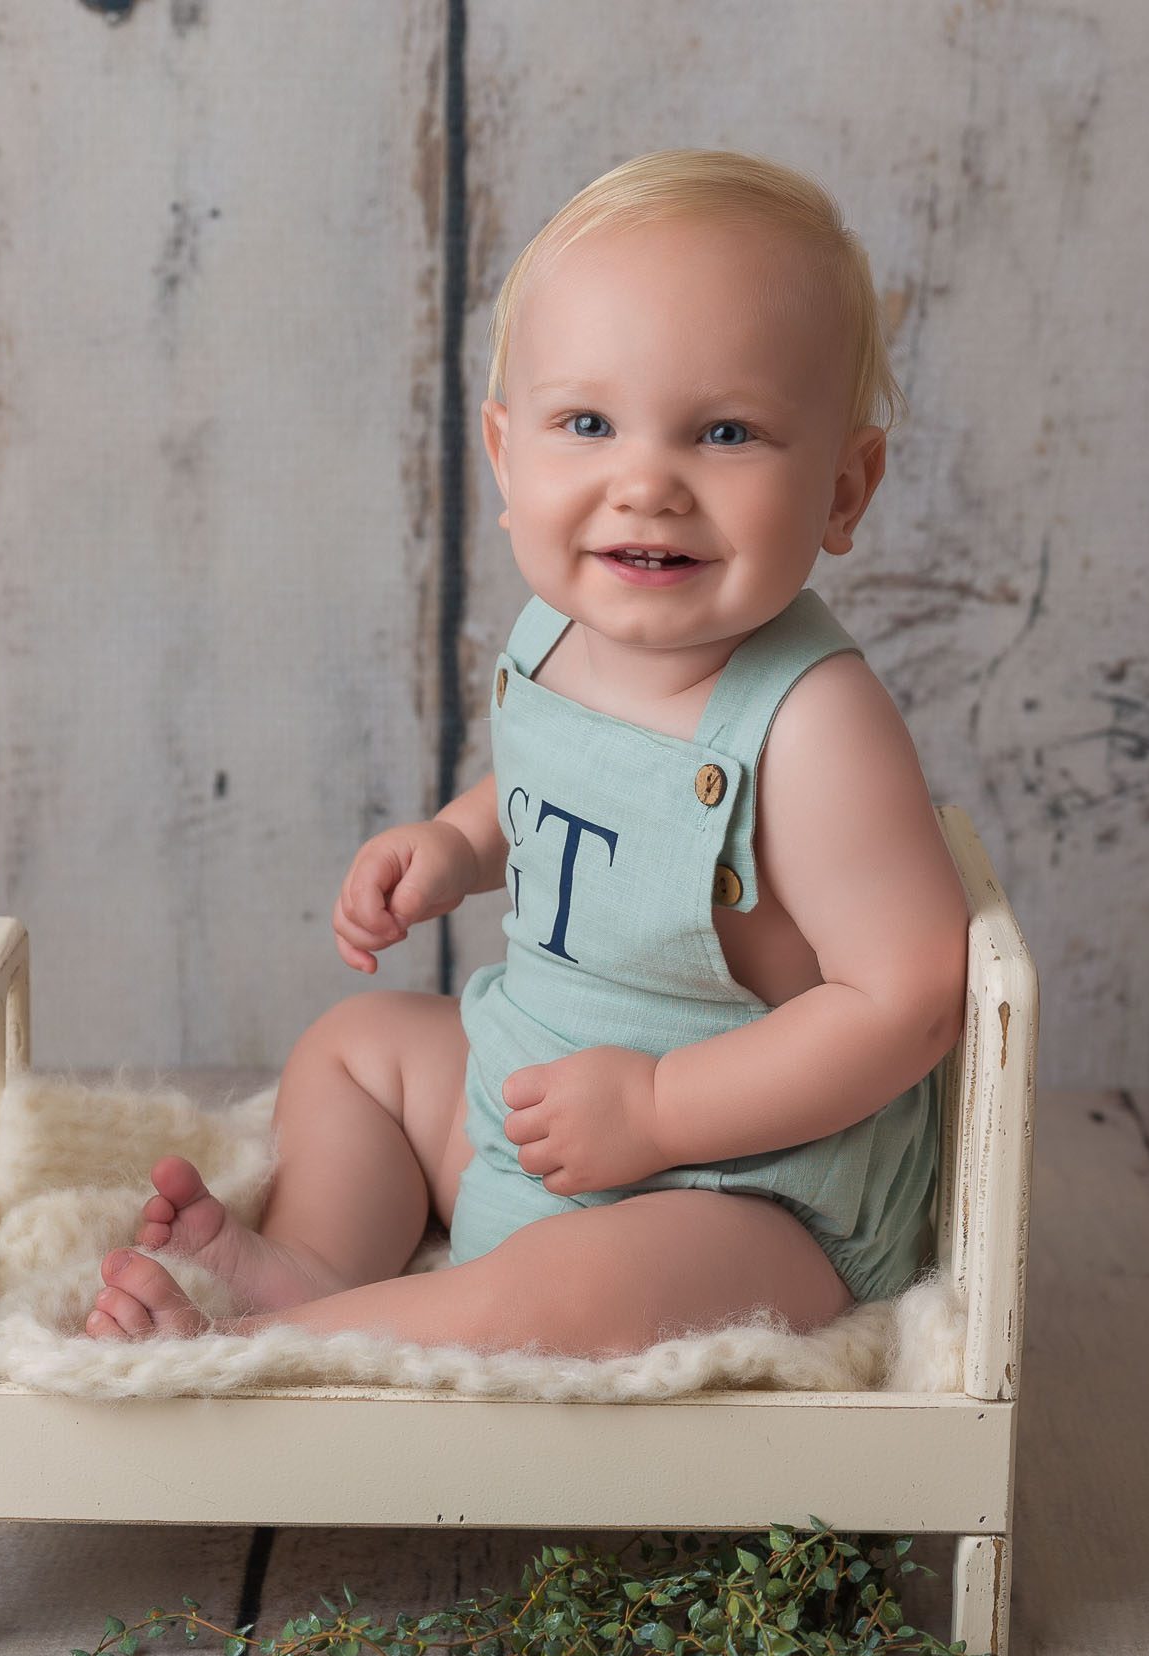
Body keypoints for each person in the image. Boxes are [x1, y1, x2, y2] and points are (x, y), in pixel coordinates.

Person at [83, 148, 967, 1356]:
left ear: (843, 490)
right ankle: (317, 1264)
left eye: (724, 431)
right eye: (588, 424)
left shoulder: (812, 722)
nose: (643, 483)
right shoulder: (559, 631)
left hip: (745, 1185)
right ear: (507, 455)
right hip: (535, 1098)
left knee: (569, 1289)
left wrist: (659, 1113)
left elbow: (905, 1003)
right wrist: (456, 840)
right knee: (358, 1051)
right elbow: (575, 788)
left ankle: (280, 1357)